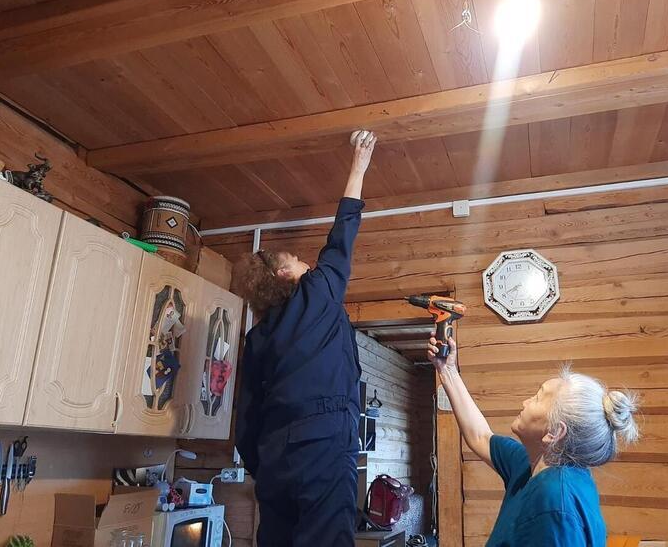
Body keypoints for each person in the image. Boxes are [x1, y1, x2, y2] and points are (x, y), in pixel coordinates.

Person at [232, 130, 377, 547]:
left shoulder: (257, 337)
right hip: (324, 443)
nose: (305, 262)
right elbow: (342, 234)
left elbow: (247, 418)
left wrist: (266, 463)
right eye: (296, 260)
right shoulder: (318, 292)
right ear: (284, 275)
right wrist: (359, 166)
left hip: (273, 458)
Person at [427, 335, 639, 546]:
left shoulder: (556, 502)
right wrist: (447, 370)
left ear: (554, 433)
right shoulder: (531, 464)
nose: (525, 402)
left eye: (537, 398)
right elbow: (480, 437)